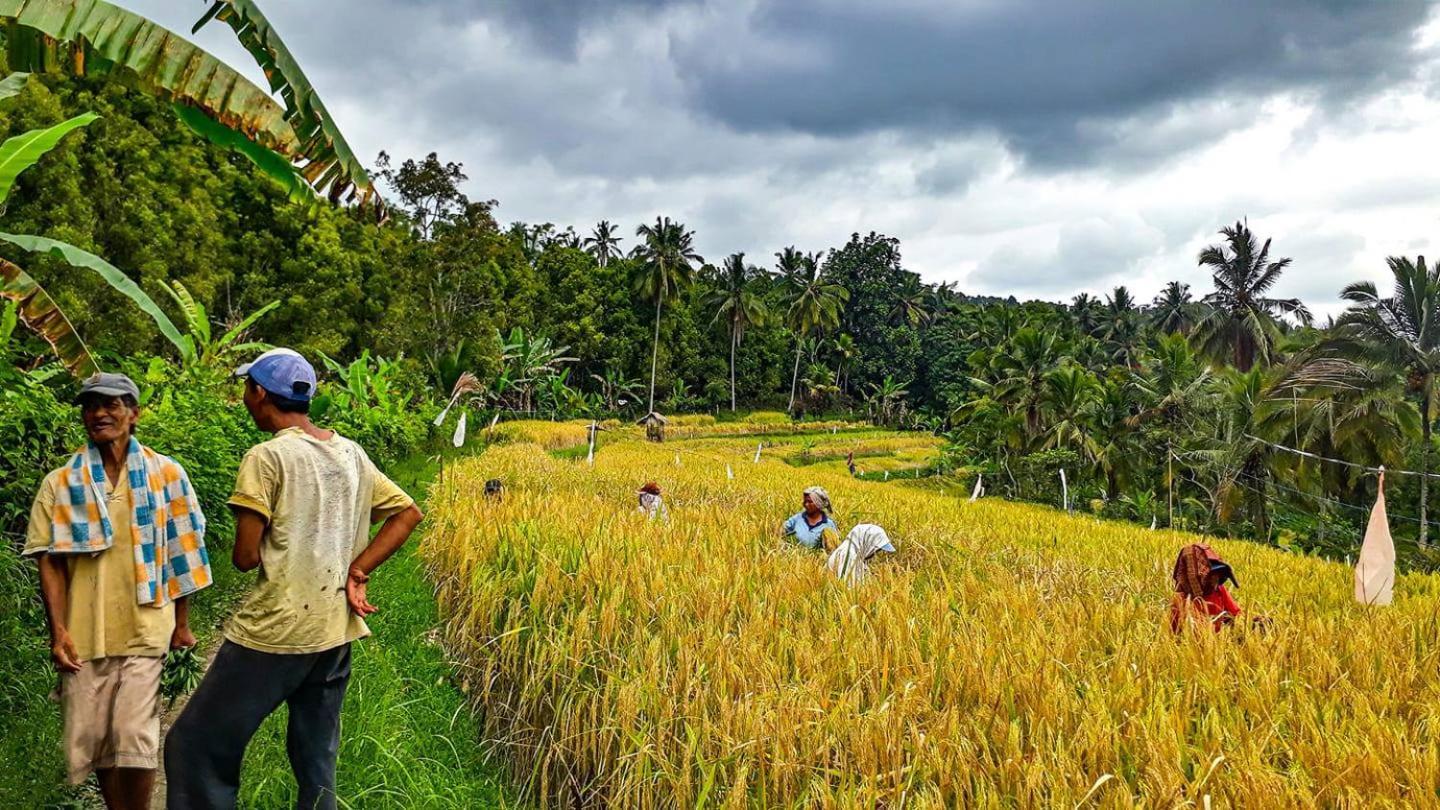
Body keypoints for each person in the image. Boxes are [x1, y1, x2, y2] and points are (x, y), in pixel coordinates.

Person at [165, 349, 423, 810]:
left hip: (275, 632)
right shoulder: (350, 453)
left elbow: (244, 558)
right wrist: (358, 570)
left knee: (194, 747)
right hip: (332, 629)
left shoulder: (266, 458)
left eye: (247, 389)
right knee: (315, 761)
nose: (245, 398)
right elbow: (408, 513)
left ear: (260, 394)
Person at [22, 372, 211, 809]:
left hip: (147, 624)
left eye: (111, 405)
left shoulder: (167, 475)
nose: (99, 414)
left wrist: (182, 625)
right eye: (91, 406)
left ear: (134, 413)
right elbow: (48, 561)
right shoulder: (61, 483)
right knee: (101, 739)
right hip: (85, 633)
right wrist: (59, 633)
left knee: (133, 733)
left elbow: (184, 554)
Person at [1169, 544, 1244, 633]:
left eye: (1217, 574)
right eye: (1211, 575)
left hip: (1219, 642)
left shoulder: (1219, 590)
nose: (1215, 579)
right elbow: (1173, 632)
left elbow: (1236, 613)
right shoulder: (1182, 599)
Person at [826, 524, 896, 586]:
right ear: (868, 544)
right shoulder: (848, 556)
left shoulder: (853, 554)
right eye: (875, 550)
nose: (874, 554)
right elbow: (849, 589)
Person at [781, 486, 838, 551]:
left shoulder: (829, 525)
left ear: (818, 504)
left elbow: (834, 550)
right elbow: (780, 531)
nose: (806, 504)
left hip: (815, 560)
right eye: (805, 501)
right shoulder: (797, 518)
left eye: (810, 502)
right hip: (796, 557)